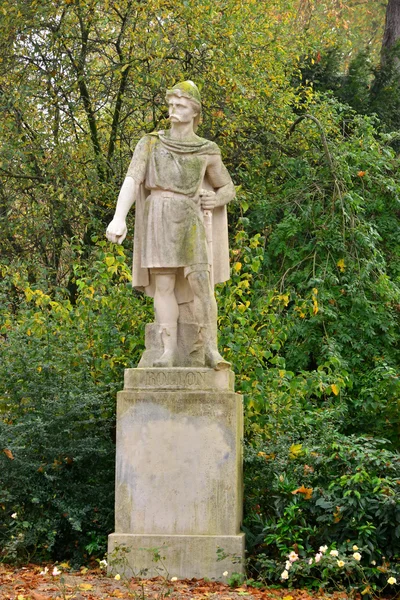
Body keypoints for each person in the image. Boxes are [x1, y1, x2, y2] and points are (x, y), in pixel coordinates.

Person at [106, 81, 235, 369]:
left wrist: (215, 198)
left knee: (201, 283)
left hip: (190, 217)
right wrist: (119, 216)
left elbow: (228, 187)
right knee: (163, 284)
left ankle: (210, 349)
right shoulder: (151, 142)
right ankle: (167, 351)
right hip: (159, 214)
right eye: (171, 104)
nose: (173, 110)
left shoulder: (207, 149)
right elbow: (132, 180)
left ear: (195, 111)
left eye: (180, 105)